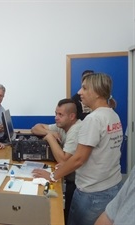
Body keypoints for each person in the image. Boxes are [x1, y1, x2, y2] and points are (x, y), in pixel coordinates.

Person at [33, 73, 123, 225]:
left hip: (92, 193)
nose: (79, 92)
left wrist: (53, 176)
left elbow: (79, 158)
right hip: (112, 186)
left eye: (84, 88)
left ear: (97, 91)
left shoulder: (93, 119)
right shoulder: (112, 115)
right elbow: (98, 154)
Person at [31, 98, 82, 225]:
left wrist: (49, 137)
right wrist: (49, 131)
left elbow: (63, 159)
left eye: (60, 115)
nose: (56, 118)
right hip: (67, 177)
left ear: (72, 116)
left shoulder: (76, 129)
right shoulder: (62, 126)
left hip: (76, 183)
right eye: (56, 114)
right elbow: (35, 128)